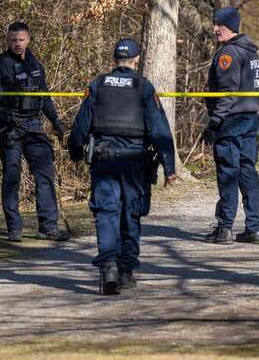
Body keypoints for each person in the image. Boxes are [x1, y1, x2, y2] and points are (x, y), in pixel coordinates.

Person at [68, 38, 177, 295]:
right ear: (137, 59)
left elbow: (81, 126)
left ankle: (109, 268)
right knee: (131, 213)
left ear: (114, 59)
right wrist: (169, 168)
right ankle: (126, 270)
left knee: (106, 213)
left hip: (104, 160)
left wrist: (74, 152)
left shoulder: (98, 85)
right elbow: (160, 131)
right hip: (134, 163)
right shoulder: (144, 88)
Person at [0, 22, 70, 242]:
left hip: (33, 126)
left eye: (21, 40)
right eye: (13, 40)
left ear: (28, 40)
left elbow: (44, 97)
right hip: (9, 129)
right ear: (7, 41)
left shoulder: (35, 64)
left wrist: (56, 122)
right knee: (12, 177)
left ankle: (48, 227)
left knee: (45, 175)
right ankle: (14, 228)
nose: (17, 44)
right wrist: (5, 119)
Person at [202, 6, 259, 245]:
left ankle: (225, 228)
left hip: (231, 122)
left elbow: (228, 93)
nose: (215, 29)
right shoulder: (251, 52)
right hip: (250, 120)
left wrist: (214, 122)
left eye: (220, 25)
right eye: (215, 24)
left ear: (232, 27)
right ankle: (254, 229)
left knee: (229, 173)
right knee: (248, 173)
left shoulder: (228, 54)